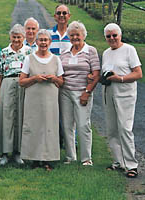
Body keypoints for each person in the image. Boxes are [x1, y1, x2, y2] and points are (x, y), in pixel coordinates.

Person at [19, 29, 64, 171]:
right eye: (41, 40)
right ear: (36, 42)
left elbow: (61, 82)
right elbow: (21, 81)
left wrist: (54, 78)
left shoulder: (56, 59)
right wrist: (34, 78)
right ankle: (33, 158)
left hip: (50, 99)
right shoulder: (29, 58)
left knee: (49, 127)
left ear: (50, 42)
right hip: (33, 98)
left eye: (46, 40)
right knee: (34, 126)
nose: (43, 43)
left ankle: (48, 159)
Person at [102, 23, 142, 178]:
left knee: (125, 128)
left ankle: (131, 165)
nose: (112, 38)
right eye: (108, 36)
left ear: (120, 35)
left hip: (125, 92)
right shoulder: (106, 53)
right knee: (112, 129)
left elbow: (138, 74)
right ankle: (118, 161)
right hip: (109, 92)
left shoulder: (129, 50)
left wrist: (121, 78)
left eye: (114, 35)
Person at [59, 21, 100, 166]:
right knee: (67, 125)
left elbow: (96, 75)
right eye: (72, 35)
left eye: (78, 34)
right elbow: (60, 73)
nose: (75, 37)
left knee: (83, 125)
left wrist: (87, 92)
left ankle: (86, 158)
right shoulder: (65, 52)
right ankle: (70, 157)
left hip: (83, 92)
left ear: (83, 35)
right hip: (65, 92)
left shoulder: (90, 51)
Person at [0, 24, 32, 166]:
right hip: (8, 83)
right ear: (10, 37)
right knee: (6, 117)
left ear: (23, 37)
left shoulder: (29, 52)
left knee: (21, 117)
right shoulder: (4, 52)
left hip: (23, 84)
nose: (16, 40)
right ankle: (4, 152)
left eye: (19, 37)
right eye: (14, 37)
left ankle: (18, 152)